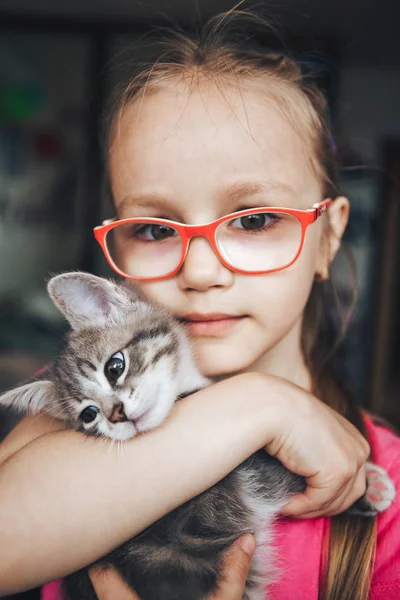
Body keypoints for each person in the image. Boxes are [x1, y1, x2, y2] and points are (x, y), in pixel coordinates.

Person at [0, 8, 399, 600]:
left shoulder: (389, 497)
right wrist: (260, 405)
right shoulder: (75, 406)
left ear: (330, 238)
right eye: (156, 230)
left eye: (256, 219)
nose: (202, 272)